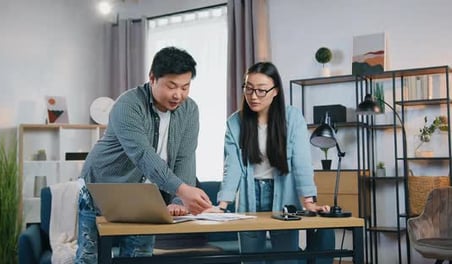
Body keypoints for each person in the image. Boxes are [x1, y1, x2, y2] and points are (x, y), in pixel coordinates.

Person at [75, 46, 213, 263]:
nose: (179, 95)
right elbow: (142, 155)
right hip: (100, 187)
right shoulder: (128, 105)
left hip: (143, 193)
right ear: (152, 78)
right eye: (172, 86)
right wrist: (183, 189)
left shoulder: (190, 110)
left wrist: (179, 198)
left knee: (139, 257)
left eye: (185, 87)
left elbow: (185, 157)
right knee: (90, 257)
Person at [206, 62, 334, 264]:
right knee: (251, 260)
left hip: (283, 194)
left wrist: (308, 201)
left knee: (286, 259)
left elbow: (301, 162)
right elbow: (233, 166)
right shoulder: (235, 122)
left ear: (275, 91)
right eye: (248, 89)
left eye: (261, 90)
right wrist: (222, 206)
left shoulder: (292, 118)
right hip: (249, 195)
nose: (253, 96)